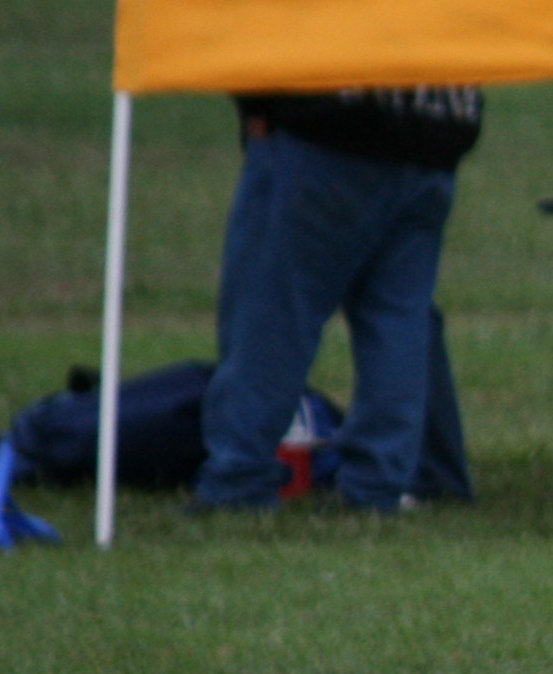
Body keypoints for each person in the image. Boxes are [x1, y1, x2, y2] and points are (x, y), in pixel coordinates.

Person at [193, 87, 481, 513]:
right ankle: (378, 483)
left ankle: (239, 479)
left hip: (327, 124)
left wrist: (258, 105)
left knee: (273, 314)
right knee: (397, 318)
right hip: (436, 130)